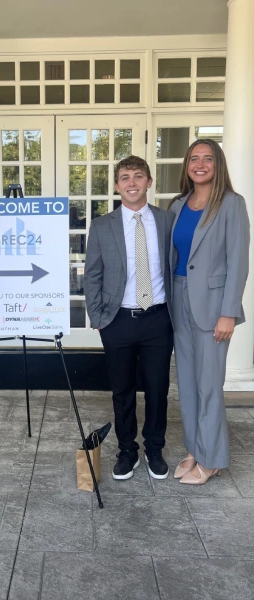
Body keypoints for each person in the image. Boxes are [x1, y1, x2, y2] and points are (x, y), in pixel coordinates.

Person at [84, 156, 175, 481]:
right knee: (121, 390)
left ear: (149, 182)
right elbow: (92, 273)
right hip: (118, 320)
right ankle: (127, 451)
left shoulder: (167, 221)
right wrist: (97, 315)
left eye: (138, 176)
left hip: (158, 319)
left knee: (157, 388)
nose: (132, 183)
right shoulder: (102, 225)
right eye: (125, 177)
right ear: (117, 185)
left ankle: (154, 448)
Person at [169, 139, 249, 485]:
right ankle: (195, 448)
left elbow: (238, 261)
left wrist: (229, 312)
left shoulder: (231, 204)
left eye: (208, 159)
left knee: (210, 386)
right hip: (178, 299)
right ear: (186, 165)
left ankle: (213, 458)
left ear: (218, 165)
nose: (200, 164)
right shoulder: (177, 205)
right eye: (194, 158)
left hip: (214, 306)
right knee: (186, 383)